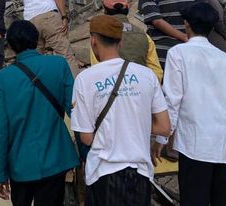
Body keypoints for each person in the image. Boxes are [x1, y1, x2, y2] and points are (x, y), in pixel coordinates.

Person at [71, 15, 171, 206]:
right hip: (140, 174)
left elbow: (85, 137)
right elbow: (164, 127)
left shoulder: (85, 79)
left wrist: (115, 128)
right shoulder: (147, 75)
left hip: (103, 172)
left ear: (93, 41)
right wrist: (134, 124)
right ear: (121, 41)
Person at [156, 2, 226, 206]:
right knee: (221, 198)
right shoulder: (224, 59)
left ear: (186, 24)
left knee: (194, 199)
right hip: (221, 144)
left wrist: (162, 138)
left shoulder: (178, 54)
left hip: (193, 144)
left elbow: (172, 100)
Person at [0, 20, 79, 206]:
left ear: (11, 46)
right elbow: (76, 112)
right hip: (56, 158)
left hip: (21, 165)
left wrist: (0, 174)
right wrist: (86, 152)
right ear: (37, 39)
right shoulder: (58, 64)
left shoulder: (3, 78)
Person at [89, 0, 163, 81]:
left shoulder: (98, 37)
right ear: (127, 8)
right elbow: (157, 72)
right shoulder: (144, 36)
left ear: (105, 10)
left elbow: (96, 70)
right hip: (140, 89)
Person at [21, 0, 79, 76]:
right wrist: (64, 16)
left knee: (35, 58)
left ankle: (37, 89)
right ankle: (74, 89)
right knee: (66, 55)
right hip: (49, 17)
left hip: (30, 22)